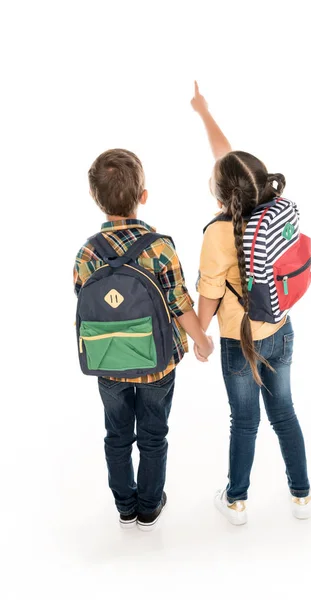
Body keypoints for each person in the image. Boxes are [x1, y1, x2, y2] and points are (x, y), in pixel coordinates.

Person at [74, 149, 214, 531]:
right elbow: (180, 302)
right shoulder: (158, 247)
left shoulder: (87, 252)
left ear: (94, 198)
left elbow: (85, 305)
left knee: (117, 435)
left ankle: (125, 505)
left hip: (109, 364)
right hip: (158, 364)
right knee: (153, 433)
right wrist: (201, 340)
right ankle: (150, 506)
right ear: (143, 196)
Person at [191, 83, 311, 525]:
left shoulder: (218, 234)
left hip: (238, 341)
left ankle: (237, 500)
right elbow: (227, 158)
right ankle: (301, 494)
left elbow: (209, 293)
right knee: (285, 412)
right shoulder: (272, 205)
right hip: (280, 329)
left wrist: (199, 338)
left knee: (244, 421)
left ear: (222, 196)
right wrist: (203, 112)